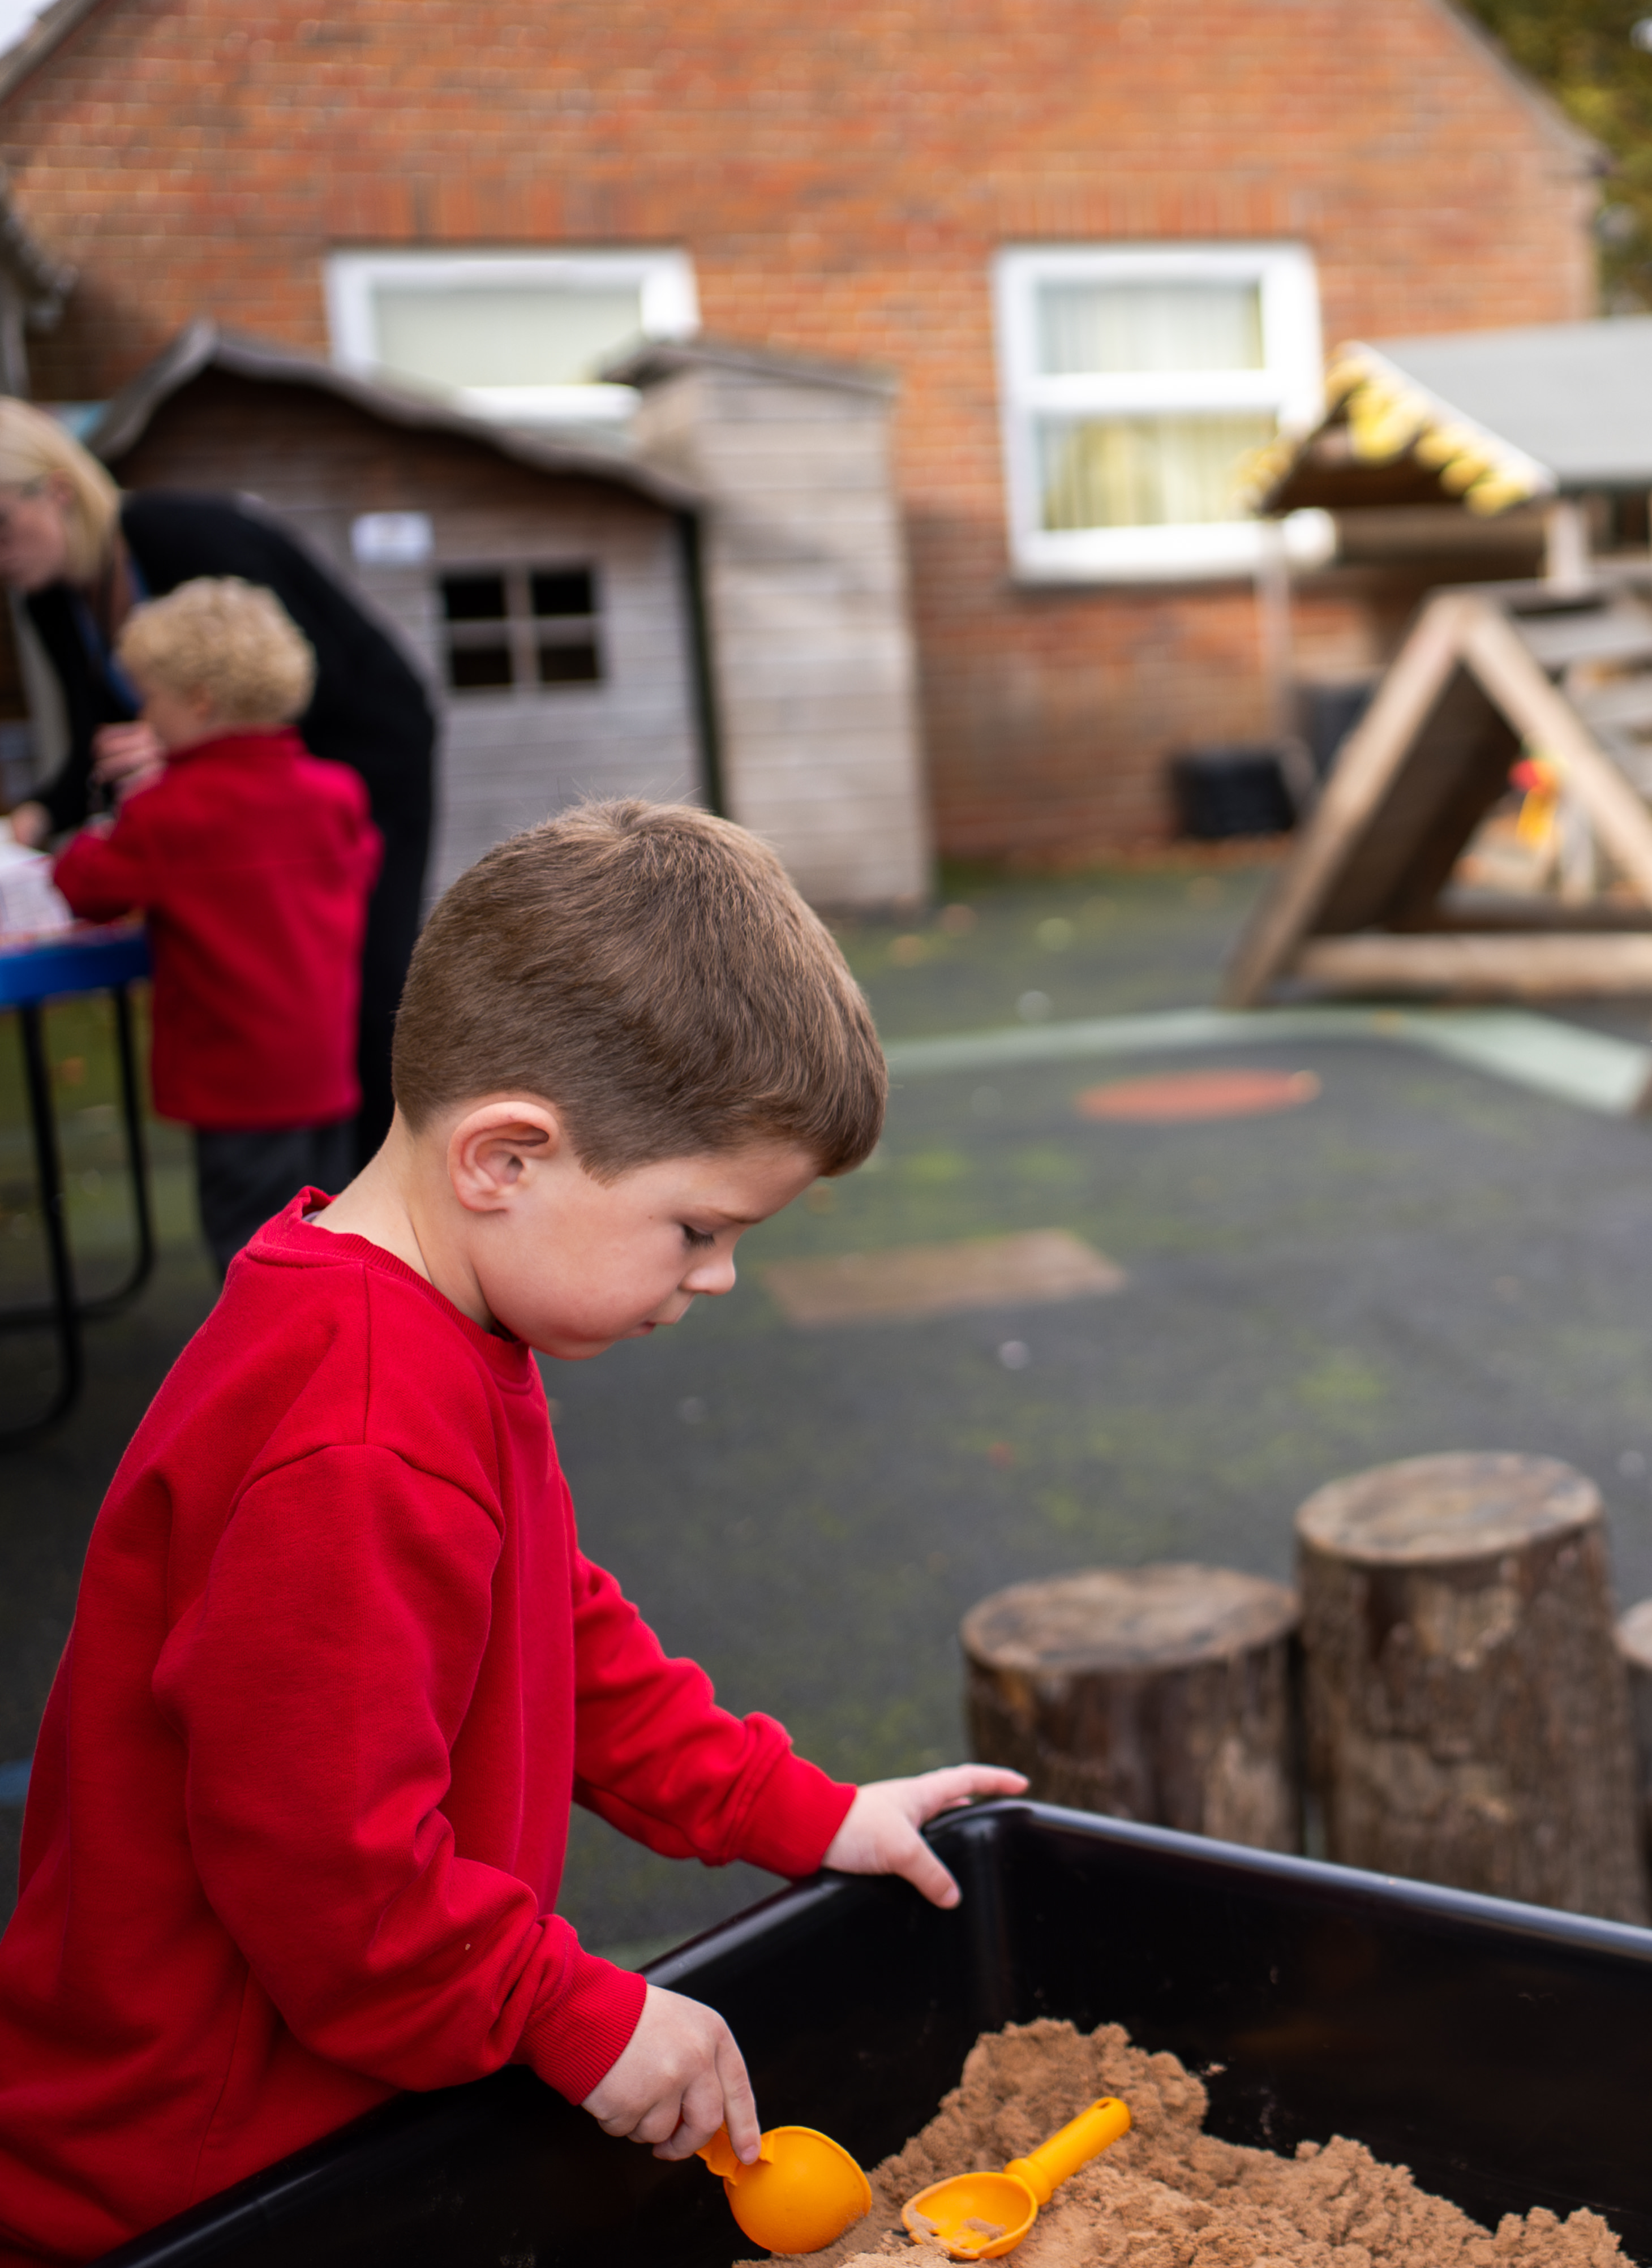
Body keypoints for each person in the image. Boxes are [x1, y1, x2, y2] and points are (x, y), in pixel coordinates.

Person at [0, 800, 1027, 2266]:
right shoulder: (356, 1437)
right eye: (696, 1229)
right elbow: (328, 1876)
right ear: (507, 1159)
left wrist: (800, 1808)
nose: (722, 1278)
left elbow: (551, 1635)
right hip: (198, 2171)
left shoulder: (433, 1320)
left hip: (320, 2101)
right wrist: (573, 2011)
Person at [0, 398, 438, 1170]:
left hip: (361, 762)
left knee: (362, 987)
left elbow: (304, 683)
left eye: (1, 527)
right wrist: (33, 817)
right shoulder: (52, 601)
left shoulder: (189, 536)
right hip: (241, 797)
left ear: (55, 492)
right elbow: (96, 745)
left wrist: (192, 753)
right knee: (273, 995)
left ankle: (391, 1199)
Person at [45, 578, 376, 1272]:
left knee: (249, 1257)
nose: (145, 714)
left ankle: (271, 1377)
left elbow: (86, 886)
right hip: (325, 1070)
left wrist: (110, 820)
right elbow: (361, 871)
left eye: (149, 697)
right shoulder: (335, 794)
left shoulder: (169, 811)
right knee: (333, 1239)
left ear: (196, 700)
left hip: (237, 1085)